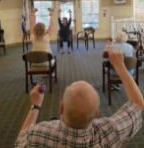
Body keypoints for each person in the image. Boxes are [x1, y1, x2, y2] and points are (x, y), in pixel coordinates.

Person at [15, 50, 143, 147]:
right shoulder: (111, 132)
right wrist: (120, 65)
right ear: (96, 115)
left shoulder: (38, 134)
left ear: (61, 108)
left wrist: (35, 105)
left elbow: (20, 141)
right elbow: (138, 103)